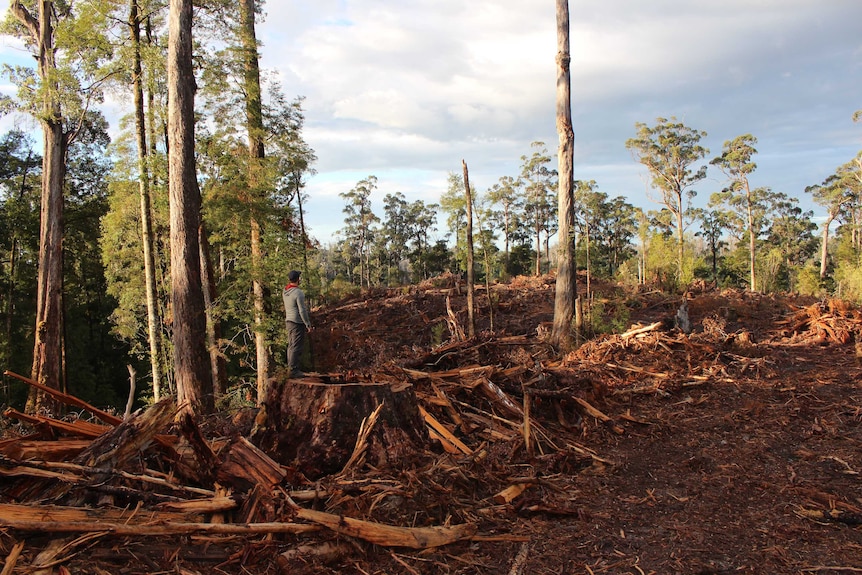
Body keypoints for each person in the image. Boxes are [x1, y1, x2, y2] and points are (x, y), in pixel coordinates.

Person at [282, 270, 313, 377]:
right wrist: (307, 324)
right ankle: (293, 370)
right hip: (297, 322)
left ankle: (290, 368)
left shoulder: (285, 291)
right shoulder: (298, 293)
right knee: (296, 346)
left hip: (288, 321)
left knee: (291, 346)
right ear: (298, 279)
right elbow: (302, 311)